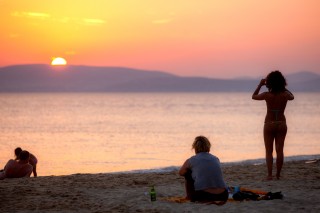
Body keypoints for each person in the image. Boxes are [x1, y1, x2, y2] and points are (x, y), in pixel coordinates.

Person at [252, 70, 294, 180]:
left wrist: (260, 84)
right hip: (281, 123)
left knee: (269, 151)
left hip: (269, 124)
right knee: (280, 150)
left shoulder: (267, 95)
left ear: (269, 83)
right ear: (282, 82)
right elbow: (292, 96)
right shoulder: (285, 94)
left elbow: (254, 96)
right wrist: (283, 87)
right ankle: (278, 175)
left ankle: (270, 175)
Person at [179, 136, 228, 204]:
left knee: (187, 172)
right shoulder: (215, 158)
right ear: (208, 147)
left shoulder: (192, 160)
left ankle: (189, 196)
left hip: (204, 195)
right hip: (223, 195)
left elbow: (181, 172)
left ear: (195, 147)